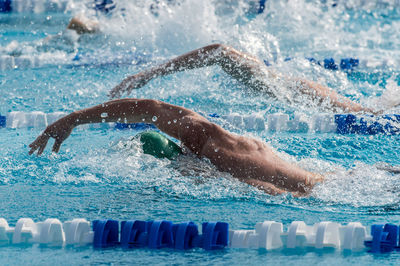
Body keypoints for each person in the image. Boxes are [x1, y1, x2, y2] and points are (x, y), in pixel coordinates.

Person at [28, 98, 324, 196]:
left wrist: (73, 119)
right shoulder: (218, 151)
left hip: (316, 191)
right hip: (318, 182)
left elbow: (150, 107)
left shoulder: (209, 141)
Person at [109, 44, 391, 114]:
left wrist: (147, 74)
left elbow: (219, 52)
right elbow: (219, 52)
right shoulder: (274, 81)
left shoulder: (271, 82)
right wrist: (147, 74)